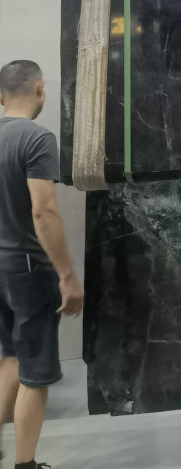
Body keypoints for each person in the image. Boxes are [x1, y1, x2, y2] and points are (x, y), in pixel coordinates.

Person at [0, 60, 83, 469]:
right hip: (28, 270)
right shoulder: (36, 138)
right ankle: (25, 465)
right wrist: (67, 275)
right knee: (34, 374)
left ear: (1, 96)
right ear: (39, 89)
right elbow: (44, 211)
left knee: (10, 360)